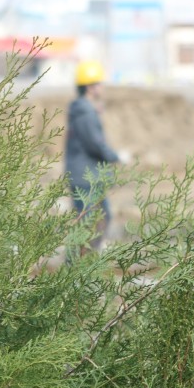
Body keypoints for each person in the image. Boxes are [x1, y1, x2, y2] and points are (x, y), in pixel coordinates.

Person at [64, 60, 124, 253]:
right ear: (90, 87)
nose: (101, 87)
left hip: (88, 176)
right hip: (86, 178)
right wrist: (115, 156)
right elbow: (94, 144)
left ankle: (85, 262)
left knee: (100, 219)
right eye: (98, 83)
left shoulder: (85, 110)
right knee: (88, 223)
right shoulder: (85, 112)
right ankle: (75, 267)